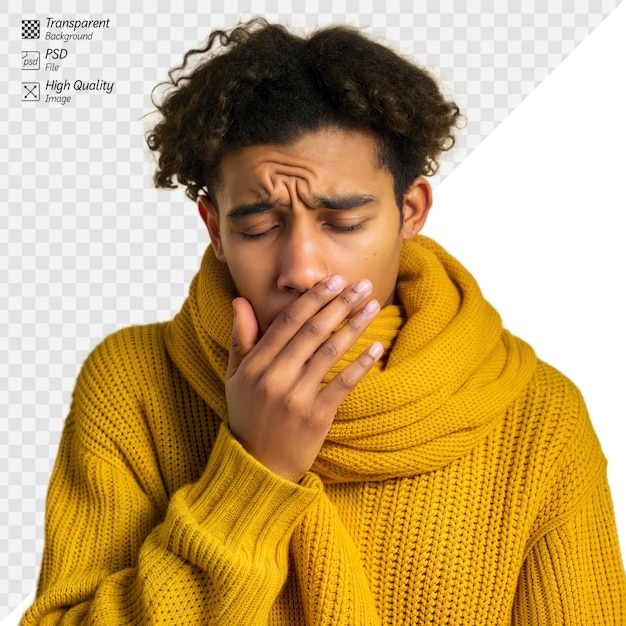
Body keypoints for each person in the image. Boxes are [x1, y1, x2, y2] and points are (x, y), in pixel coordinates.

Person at [22, 18, 625, 625]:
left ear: (408, 211)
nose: (302, 269)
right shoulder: (133, 386)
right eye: (257, 227)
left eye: (342, 223)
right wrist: (253, 475)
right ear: (214, 228)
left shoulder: (538, 416)